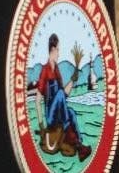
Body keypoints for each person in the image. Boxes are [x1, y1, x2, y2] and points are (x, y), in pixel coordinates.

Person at [34, 33, 91, 161]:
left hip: (59, 113)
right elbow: (38, 100)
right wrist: (41, 126)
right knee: (59, 94)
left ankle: (79, 145)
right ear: (53, 50)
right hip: (50, 117)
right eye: (58, 50)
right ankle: (73, 139)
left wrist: (73, 79)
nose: (59, 53)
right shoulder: (45, 70)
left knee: (71, 112)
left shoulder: (57, 70)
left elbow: (63, 96)